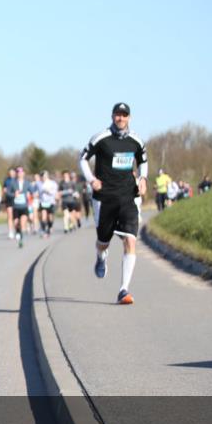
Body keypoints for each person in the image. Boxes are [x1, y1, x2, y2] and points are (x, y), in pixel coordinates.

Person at [78, 102, 148, 305]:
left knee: (130, 240)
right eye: (118, 115)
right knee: (103, 241)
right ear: (112, 116)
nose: (121, 118)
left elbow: (143, 161)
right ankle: (101, 256)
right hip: (104, 197)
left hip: (128, 196)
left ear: (129, 118)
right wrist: (91, 179)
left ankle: (123, 290)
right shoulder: (101, 138)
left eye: (124, 115)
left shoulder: (136, 140)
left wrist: (143, 179)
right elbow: (82, 159)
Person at [9, 166, 31, 248]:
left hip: (24, 206)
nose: (20, 174)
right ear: (16, 173)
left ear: (24, 173)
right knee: (16, 223)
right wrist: (14, 194)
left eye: (21, 172)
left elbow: (33, 191)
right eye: (18, 172)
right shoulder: (12, 183)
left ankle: (21, 239)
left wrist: (32, 194)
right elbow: (8, 193)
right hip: (16, 207)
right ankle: (18, 232)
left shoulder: (27, 183)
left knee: (22, 223)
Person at [38, 171, 59, 237]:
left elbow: (54, 192)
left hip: (51, 202)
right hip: (43, 202)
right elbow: (37, 192)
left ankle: (50, 227)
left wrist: (48, 191)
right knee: (43, 217)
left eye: (44, 176)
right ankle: (44, 230)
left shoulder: (52, 183)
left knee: (50, 218)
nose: (43, 178)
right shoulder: (39, 183)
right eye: (42, 176)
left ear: (47, 176)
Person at [2, 167, 18, 240]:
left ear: (15, 173)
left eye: (12, 172)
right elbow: (4, 189)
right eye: (10, 172)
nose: (11, 173)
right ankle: (10, 231)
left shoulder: (17, 180)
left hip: (16, 200)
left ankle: (17, 230)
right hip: (8, 200)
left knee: (16, 217)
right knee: (9, 216)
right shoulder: (6, 180)